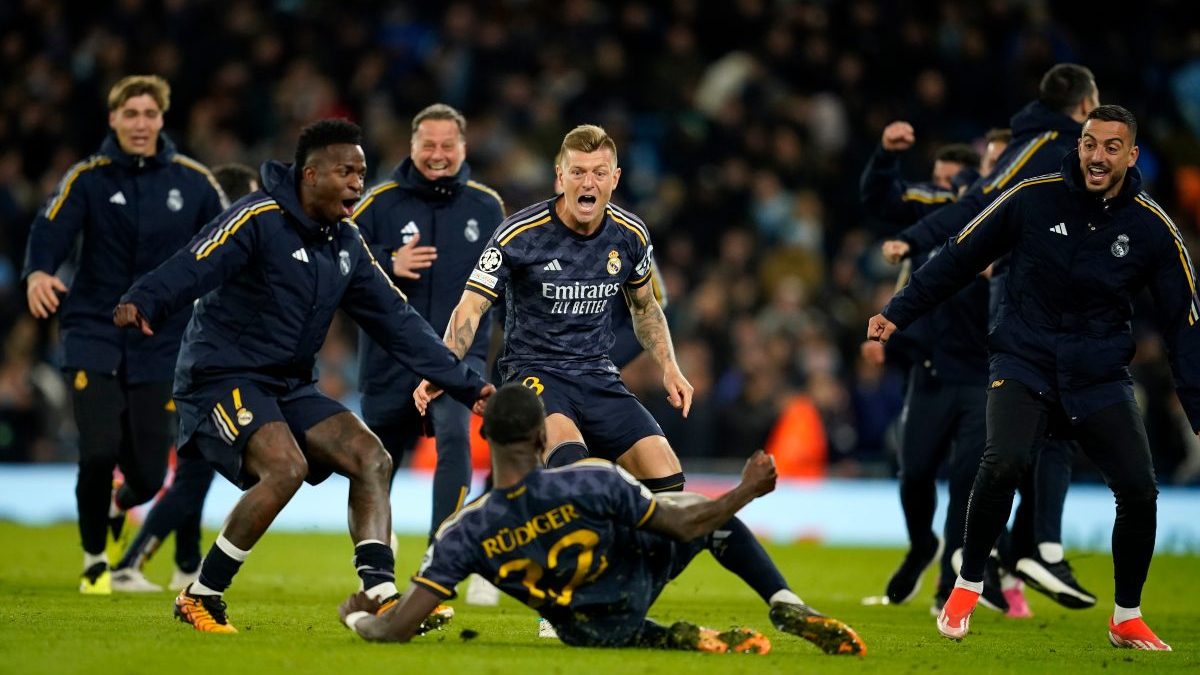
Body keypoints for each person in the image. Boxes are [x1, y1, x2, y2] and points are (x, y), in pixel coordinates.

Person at [114, 119, 494, 633]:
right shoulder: (257, 218)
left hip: (288, 384)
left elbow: (399, 324)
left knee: (371, 456)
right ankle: (202, 594)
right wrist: (145, 298)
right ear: (310, 175)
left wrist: (469, 385)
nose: (358, 183)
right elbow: (195, 261)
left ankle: (380, 594)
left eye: (362, 172)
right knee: (286, 467)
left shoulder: (347, 244)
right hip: (219, 376)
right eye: (346, 172)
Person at [868, 105, 1193, 651]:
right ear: (1080, 144)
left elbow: (1185, 321)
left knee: (1139, 489)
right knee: (1004, 463)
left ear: (1131, 156)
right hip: (1025, 359)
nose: (1097, 156)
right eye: (1090, 143)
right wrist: (899, 310)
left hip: (1097, 374)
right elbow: (959, 254)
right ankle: (968, 585)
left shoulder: (1152, 227)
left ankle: (1126, 616)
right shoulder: (1032, 196)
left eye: (1112, 147)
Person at [338, 383, 866, 655]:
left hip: (581, 629)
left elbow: (394, 631)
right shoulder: (591, 478)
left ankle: (668, 636)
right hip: (635, 580)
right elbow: (685, 527)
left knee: (594, 618)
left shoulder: (465, 530)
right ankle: (784, 604)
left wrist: (359, 617)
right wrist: (745, 491)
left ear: (486, 441)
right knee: (702, 515)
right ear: (543, 439)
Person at [881, 63, 1103, 611]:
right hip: (1023, 313)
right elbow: (970, 214)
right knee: (1034, 437)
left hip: (1041, 313)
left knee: (1042, 434)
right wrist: (909, 268)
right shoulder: (1050, 147)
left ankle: (1004, 550)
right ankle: (1018, 548)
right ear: (1085, 102)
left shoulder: (1060, 152)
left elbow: (969, 214)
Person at [22, 74, 227, 595]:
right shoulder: (87, 178)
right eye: (130, 114)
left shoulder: (195, 182)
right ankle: (94, 560)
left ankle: (119, 504)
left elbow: (232, 238)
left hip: (162, 339)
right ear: (113, 119)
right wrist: (39, 271)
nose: (141, 123)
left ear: (162, 119)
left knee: (150, 476)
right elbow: (50, 226)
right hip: (94, 329)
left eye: (149, 114)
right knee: (96, 452)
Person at [416, 125, 691, 493]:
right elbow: (471, 306)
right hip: (534, 372)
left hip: (598, 375)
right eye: (577, 172)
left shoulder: (631, 235)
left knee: (668, 481)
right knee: (572, 470)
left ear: (615, 178)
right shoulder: (519, 235)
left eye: (599, 172)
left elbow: (645, 308)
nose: (588, 182)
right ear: (560, 176)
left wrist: (670, 367)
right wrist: (445, 368)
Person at [859, 124, 1002, 613]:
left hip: (984, 373)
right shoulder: (933, 210)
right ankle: (922, 543)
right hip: (931, 369)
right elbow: (880, 199)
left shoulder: (1001, 213)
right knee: (913, 470)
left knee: (968, 481)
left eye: (948, 181)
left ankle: (951, 583)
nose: (938, 190)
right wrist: (884, 155)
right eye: (935, 180)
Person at [352, 103, 505, 542]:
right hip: (388, 360)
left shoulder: (487, 206)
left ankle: (443, 551)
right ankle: (375, 561)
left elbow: (508, 280)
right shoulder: (378, 204)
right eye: (428, 145)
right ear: (412, 146)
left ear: (463, 147)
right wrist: (386, 261)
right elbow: (339, 262)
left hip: (457, 360)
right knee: (376, 464)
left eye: (447, 145)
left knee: (455, 437)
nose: (438, 154)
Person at [110, 163, 260, 593]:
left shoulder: (215, 243)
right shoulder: (223, 246)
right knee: (195, 473)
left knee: (195, 470)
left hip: (187, 366)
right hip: (192, 369)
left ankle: (185, 562)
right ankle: (129, 564)